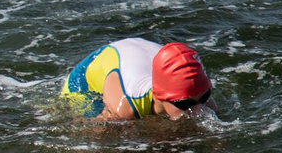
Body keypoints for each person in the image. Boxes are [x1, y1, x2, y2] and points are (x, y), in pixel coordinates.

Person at [61, 38, 214, 125]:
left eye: (204, 97)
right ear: (159, 95)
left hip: (141, 56)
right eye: (184, 104)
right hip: (89, 74)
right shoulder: (124, 107)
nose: (198, 110)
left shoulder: (195, 91)